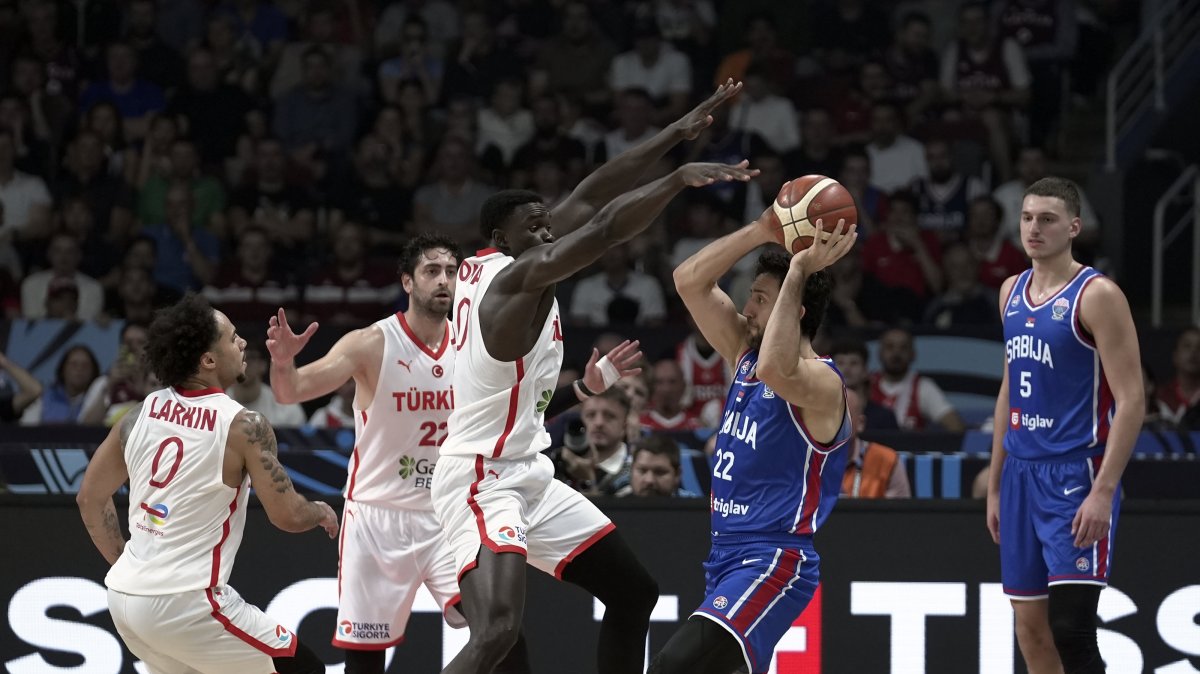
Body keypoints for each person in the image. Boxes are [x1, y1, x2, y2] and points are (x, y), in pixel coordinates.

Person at [431, 81, 757, 674]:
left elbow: (593, 191)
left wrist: (674, 133)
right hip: (480, 479)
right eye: (536, 227)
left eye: (548, 223)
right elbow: (604, 227)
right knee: (498, 632)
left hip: (526, 469)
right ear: (502, 240)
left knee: (634, 593)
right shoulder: (508, 285)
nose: (549, 231)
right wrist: (678, 179)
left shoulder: (510, 264)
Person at [266, 234, 642, 673]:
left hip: (450, 510)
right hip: (377, 516)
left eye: (451, 272)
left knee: (503, 639)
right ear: (407, 282)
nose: (444, 281)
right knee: (364, 662)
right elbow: (291, 391)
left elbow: (519, 409)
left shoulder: (474, 343)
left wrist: (581, 389)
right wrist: (282, 363)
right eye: (431, 271)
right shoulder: (371, 343)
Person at [76, 293, 337, 674]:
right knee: (305, 669)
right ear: (209, 360)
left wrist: (135, 571)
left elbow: (89, 498)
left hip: (124, 599)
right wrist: (320, 512)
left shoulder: (140, 413)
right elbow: (287, 515)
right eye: (233, 338)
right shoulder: (244, 425)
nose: (243, 342)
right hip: (187, 605)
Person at [653, 211, 857, 674]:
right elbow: (688, 280)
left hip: (774, 559)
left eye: (759, 299)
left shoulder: (823, 383)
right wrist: (763, 230)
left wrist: (801, 269)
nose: (746, 309)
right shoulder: (744, 356)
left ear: (794, 309)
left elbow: (776, 370)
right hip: (724, 554)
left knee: (672, 666)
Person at [985, 177, 1143, 674]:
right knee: (1030, 630)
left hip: (1076, 474)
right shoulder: (1010, 290)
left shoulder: (1097, 295)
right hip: (1019, 476)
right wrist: (994, 486)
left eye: (1047, 219)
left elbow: (1134, 399)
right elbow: (1008, 390)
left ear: (1073, 227)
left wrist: (1103, 491)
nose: (1034, 228)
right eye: (1028, 217)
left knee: (1071, 631)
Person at [871, 327, 966, 432]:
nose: (896, 353)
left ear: (913, 354)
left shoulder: (924, 387)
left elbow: (956, 427)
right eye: (890, 347)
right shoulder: (867, 385)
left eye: (903, 347)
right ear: (879, 353)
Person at [841, 389, 911, 498]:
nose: (833, 423)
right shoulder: (807, 460)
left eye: (842, 415)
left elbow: (898, 514)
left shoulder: (886, 461)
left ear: (860, 423)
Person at [619, 434, 699, 498]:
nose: (649, 480)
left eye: (660, 472)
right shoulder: (616, 508)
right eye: (642, 471)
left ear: (677, 474)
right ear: (631, 471)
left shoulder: (698, 510)